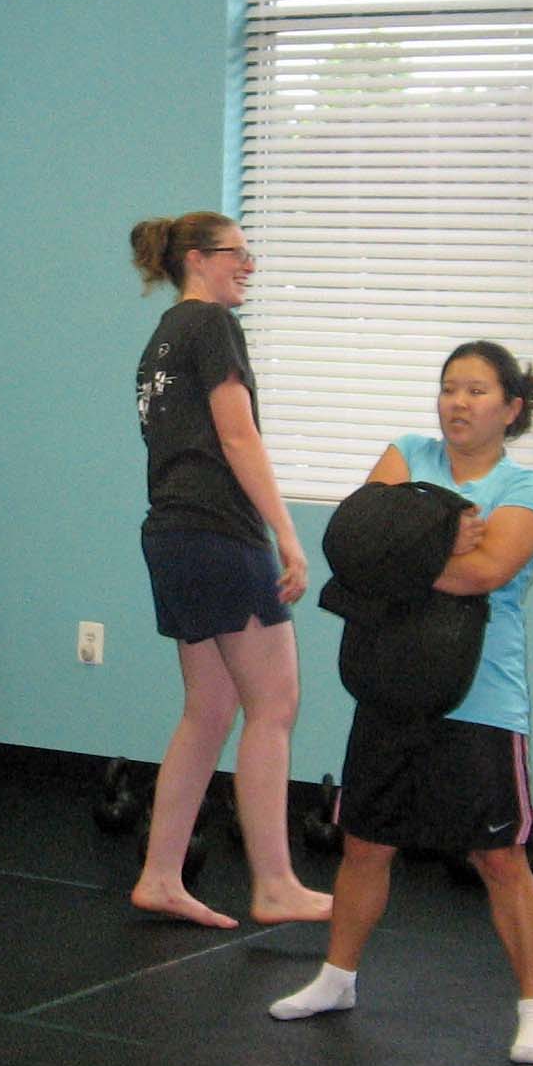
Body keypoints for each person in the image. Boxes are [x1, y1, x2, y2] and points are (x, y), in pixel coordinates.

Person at [269, 343, 533, 1064]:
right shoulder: (405, 453)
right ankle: (337, 978)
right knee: (365, 843)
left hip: (481, 699)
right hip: (391, 680)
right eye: (448, 388)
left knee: (498, 857)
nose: (457, 403)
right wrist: (441, 535)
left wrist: (410, 542)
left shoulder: (529, 489)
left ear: (511, 408)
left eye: (476, 391)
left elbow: (484, 573)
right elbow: (356, 546)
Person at [128, 211, 329, 929]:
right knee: (273, 705)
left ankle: (159, 875)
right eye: (236, 254)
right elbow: (237, 435)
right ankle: (274, 881)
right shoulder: (209, 326)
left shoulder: (161, 339)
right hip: (217, 533)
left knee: (210, 709)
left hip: (174, 535)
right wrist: (288, 536)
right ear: (195, 259)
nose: (248, 266)